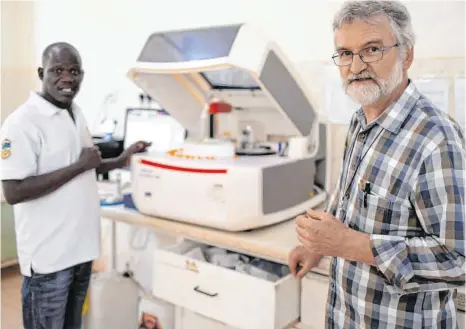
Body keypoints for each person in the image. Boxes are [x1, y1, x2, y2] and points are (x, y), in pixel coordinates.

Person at [288, 1, 465, 328]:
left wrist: (351, 245)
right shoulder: (359, 121)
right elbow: (350, 205)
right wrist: (320, 248)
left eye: (371, 49)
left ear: (406, 55)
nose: (356, 66)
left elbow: (458, 261)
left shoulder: (437, 140)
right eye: (344, 53)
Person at [0, 42, 151, 329]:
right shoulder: (22, 124)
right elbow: (14, 191)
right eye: (58, 70)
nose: (67, 78)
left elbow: (87, 165)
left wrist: (122, 158)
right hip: (49, 259)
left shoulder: (75, 113)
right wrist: (78, 166)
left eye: (74, 71)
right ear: (41, 73)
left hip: (81, 252)